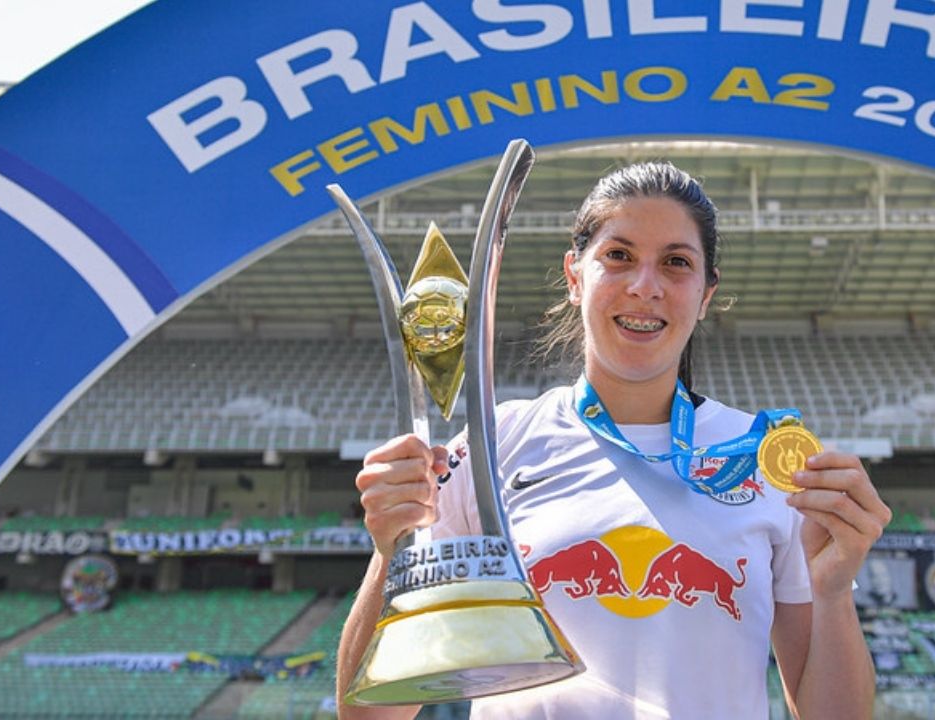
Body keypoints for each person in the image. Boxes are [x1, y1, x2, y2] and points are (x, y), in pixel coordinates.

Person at [338, 162, 892, 719]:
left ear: (706, 293)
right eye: (618, 256)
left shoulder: (762, 460)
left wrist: (834, 590)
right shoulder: (491, 444)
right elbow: (369, 717)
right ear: (575, 276)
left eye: (676, 263)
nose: (645, 286)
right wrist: (392, 553)